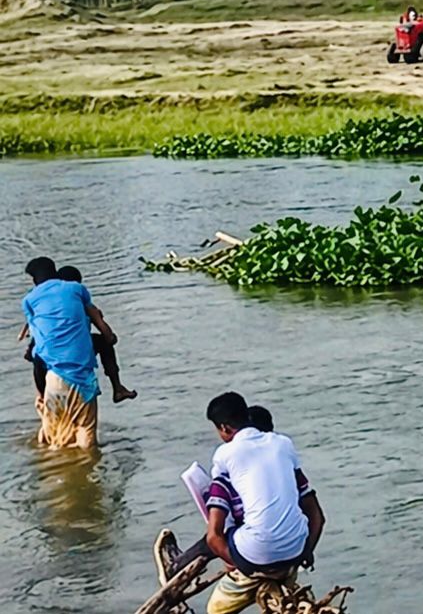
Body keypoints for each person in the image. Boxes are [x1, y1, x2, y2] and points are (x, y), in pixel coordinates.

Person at [154, 393, 325, 614]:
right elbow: (317, 517)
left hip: (253, 556)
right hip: (295, 551)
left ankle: (177, 567)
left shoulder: (225, 454)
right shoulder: (284, 444)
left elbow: (214, 537)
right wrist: (305, 552)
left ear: (224, 428)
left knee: (215, 609)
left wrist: (239, 565)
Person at [20, 257, 116, 448]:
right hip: (80, 379)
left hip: (52, 380)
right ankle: (85, 471)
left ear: (35, 279)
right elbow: (98, 321)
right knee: (85, 432)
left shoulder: (29, 300)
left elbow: (37, 341)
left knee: (52, 436)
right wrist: (110, 336)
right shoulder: (76, 290)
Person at [20, 265, 135, 403]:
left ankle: (42, 396)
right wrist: (110, 338)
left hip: (52, 355)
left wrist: (30, 348)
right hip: (77, 350)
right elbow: (106, 333)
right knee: (103, 342)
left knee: (39, 357)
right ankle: (117, 387)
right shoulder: (81, 301)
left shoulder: (47, 303)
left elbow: (41, 334)